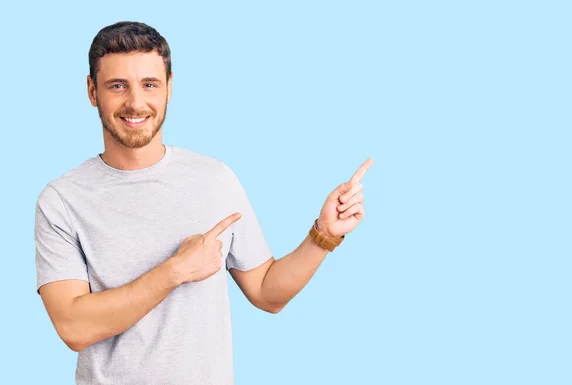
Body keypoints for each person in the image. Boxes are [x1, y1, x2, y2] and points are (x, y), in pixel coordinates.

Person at [34, 21, 373, 385]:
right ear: (92, 91)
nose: (136, 102)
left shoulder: (214, 179)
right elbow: (73, 327)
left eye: (150, 84)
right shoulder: (62, 200)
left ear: (169, 88)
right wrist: (175, 271)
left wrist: (323, 235)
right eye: (118, 86)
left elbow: (266, 293)